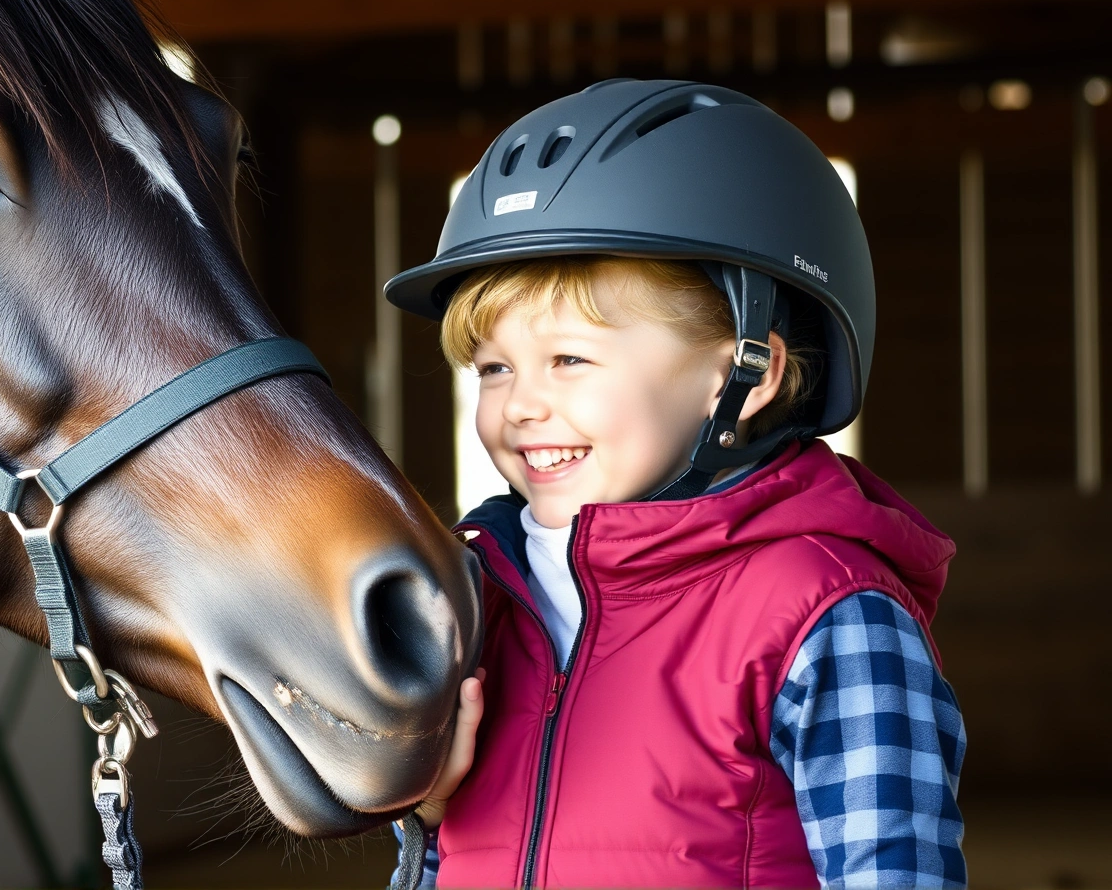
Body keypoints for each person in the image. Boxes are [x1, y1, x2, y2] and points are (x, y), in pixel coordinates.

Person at [384, 80, 966, 889]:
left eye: (570, 360)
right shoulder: (477, 603)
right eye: (494, 368)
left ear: (745, 376)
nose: (520, 404)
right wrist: (429, 818)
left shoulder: (823, 616)